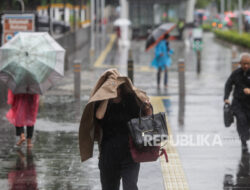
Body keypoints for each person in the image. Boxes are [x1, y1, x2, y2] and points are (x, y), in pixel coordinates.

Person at [78, 69, 151, 190]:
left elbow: (145, 117)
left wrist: (148, 108)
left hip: (130, 155)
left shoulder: (130, 100)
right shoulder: (102, 103)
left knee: (131, 186)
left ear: (121, 88)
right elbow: (99, 116)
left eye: (116, 88)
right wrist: (106, 96)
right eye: (110, 88)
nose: (114, 91)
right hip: (108, 156)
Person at [224, 53, 250, 152]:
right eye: (244, 64)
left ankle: (246, 135)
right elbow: (228, 84)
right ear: (240, 63)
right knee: (240, 121)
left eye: (248, 64)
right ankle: (243, 143)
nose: (246, 66)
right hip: (238, 103)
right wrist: (226, 97)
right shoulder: (236, 73)